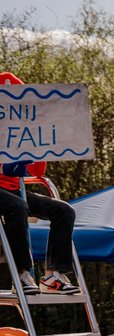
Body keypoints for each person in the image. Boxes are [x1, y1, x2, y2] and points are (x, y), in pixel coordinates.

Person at [0, 73, 79, 295]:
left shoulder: (24, 129)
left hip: (13, 188)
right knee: (17, 206)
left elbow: (36, 170)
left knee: (64, 210)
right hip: (10, 195)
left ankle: (53, 275)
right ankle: (22, 274)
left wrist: (33, 151)